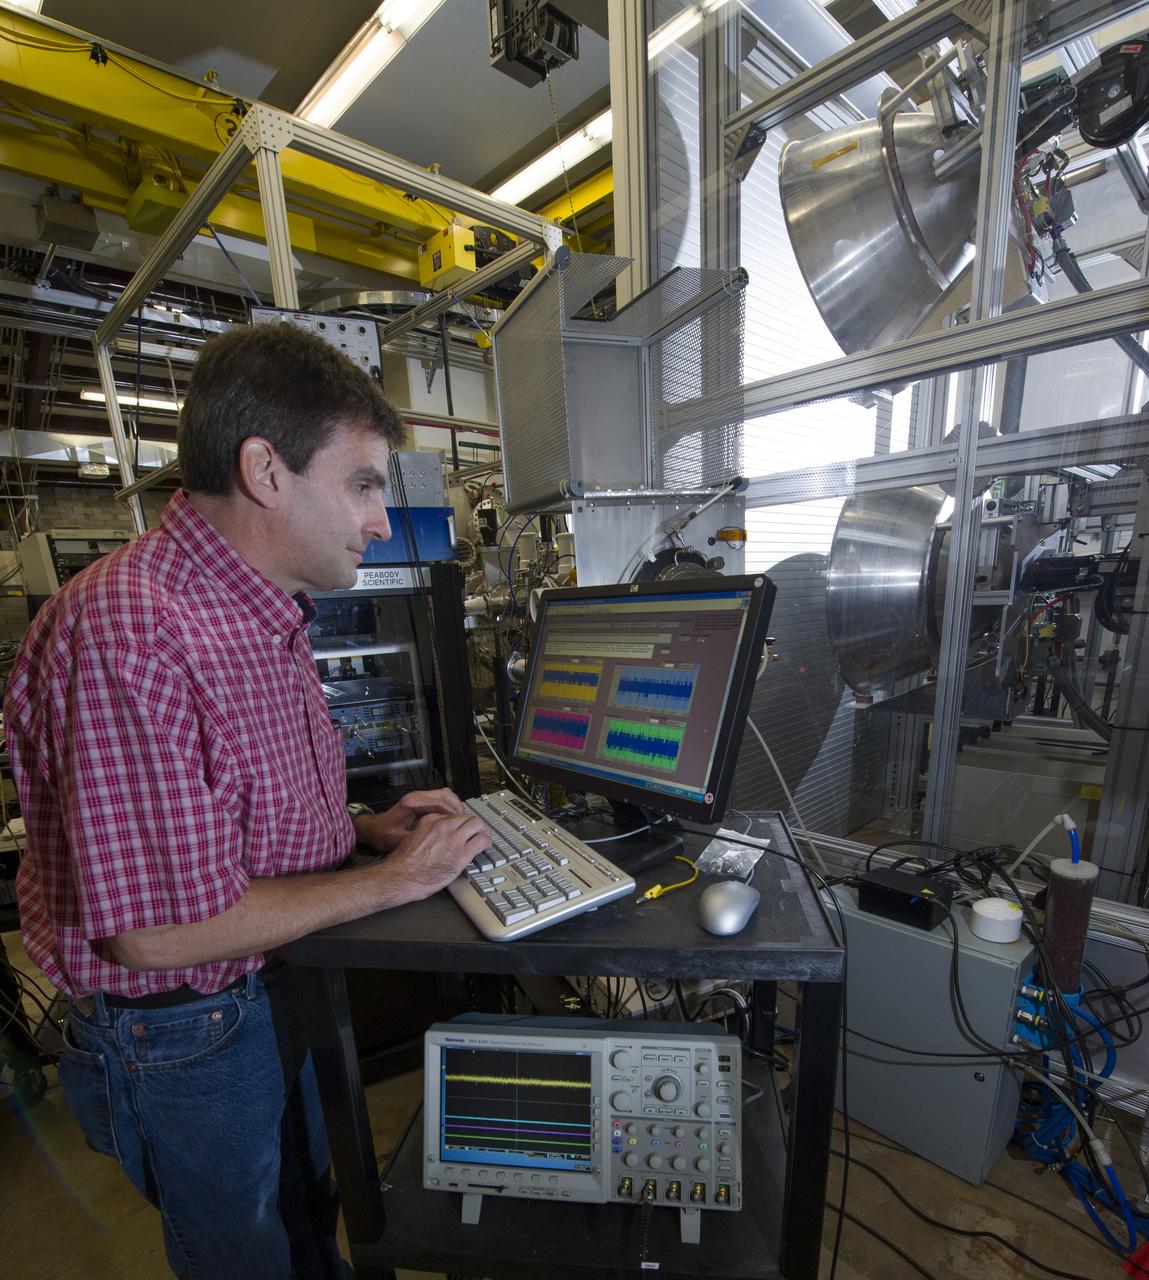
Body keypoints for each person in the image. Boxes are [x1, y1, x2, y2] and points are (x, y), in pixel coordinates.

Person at [5, 322, 491, 1279]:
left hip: (267, 985)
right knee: (247, 1254)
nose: (380, 521)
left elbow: (224, 808)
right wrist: (392, 881)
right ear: (267, 472)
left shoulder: (252, 605)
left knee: (309, 1210)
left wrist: (359, 830)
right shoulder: (136, 627)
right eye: (362, 484)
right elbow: (152, 933)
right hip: (187, 1028)